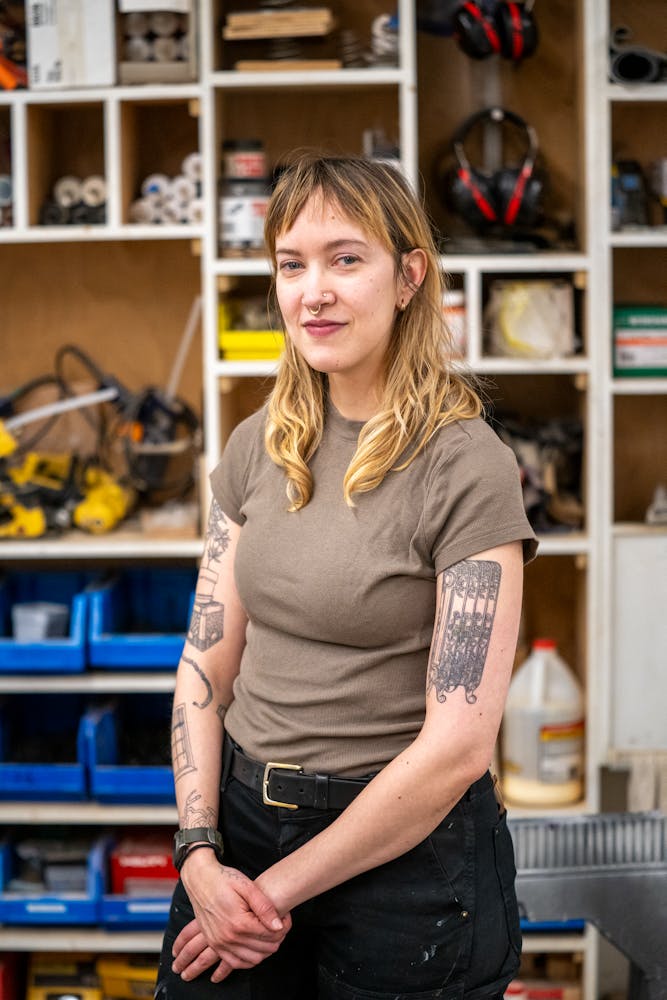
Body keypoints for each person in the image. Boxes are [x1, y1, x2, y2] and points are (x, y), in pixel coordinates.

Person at [156, 153, 538, 1000]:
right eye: (292, 265)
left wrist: (266, 900)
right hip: (240, 831)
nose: (312, 291)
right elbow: (203, 669)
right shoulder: (258, 443)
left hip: (406, 861)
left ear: (407, 277)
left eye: (344, 259)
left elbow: (456, 748)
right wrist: (200, 855)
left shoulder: (463, 464)